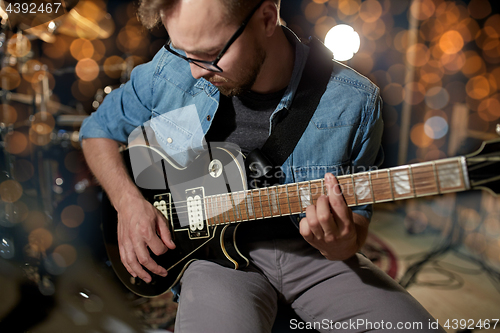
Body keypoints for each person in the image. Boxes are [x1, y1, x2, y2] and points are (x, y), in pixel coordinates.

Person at [79, 0, 445, 332]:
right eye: (184, 50)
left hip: (311, 258)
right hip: (213, 261)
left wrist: (342, 241)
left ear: (267, 17)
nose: (193, 72)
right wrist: (128, 202)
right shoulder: (171, 69)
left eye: (208, 54)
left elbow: (356, 222)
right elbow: (97, 131)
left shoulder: (355, 102)